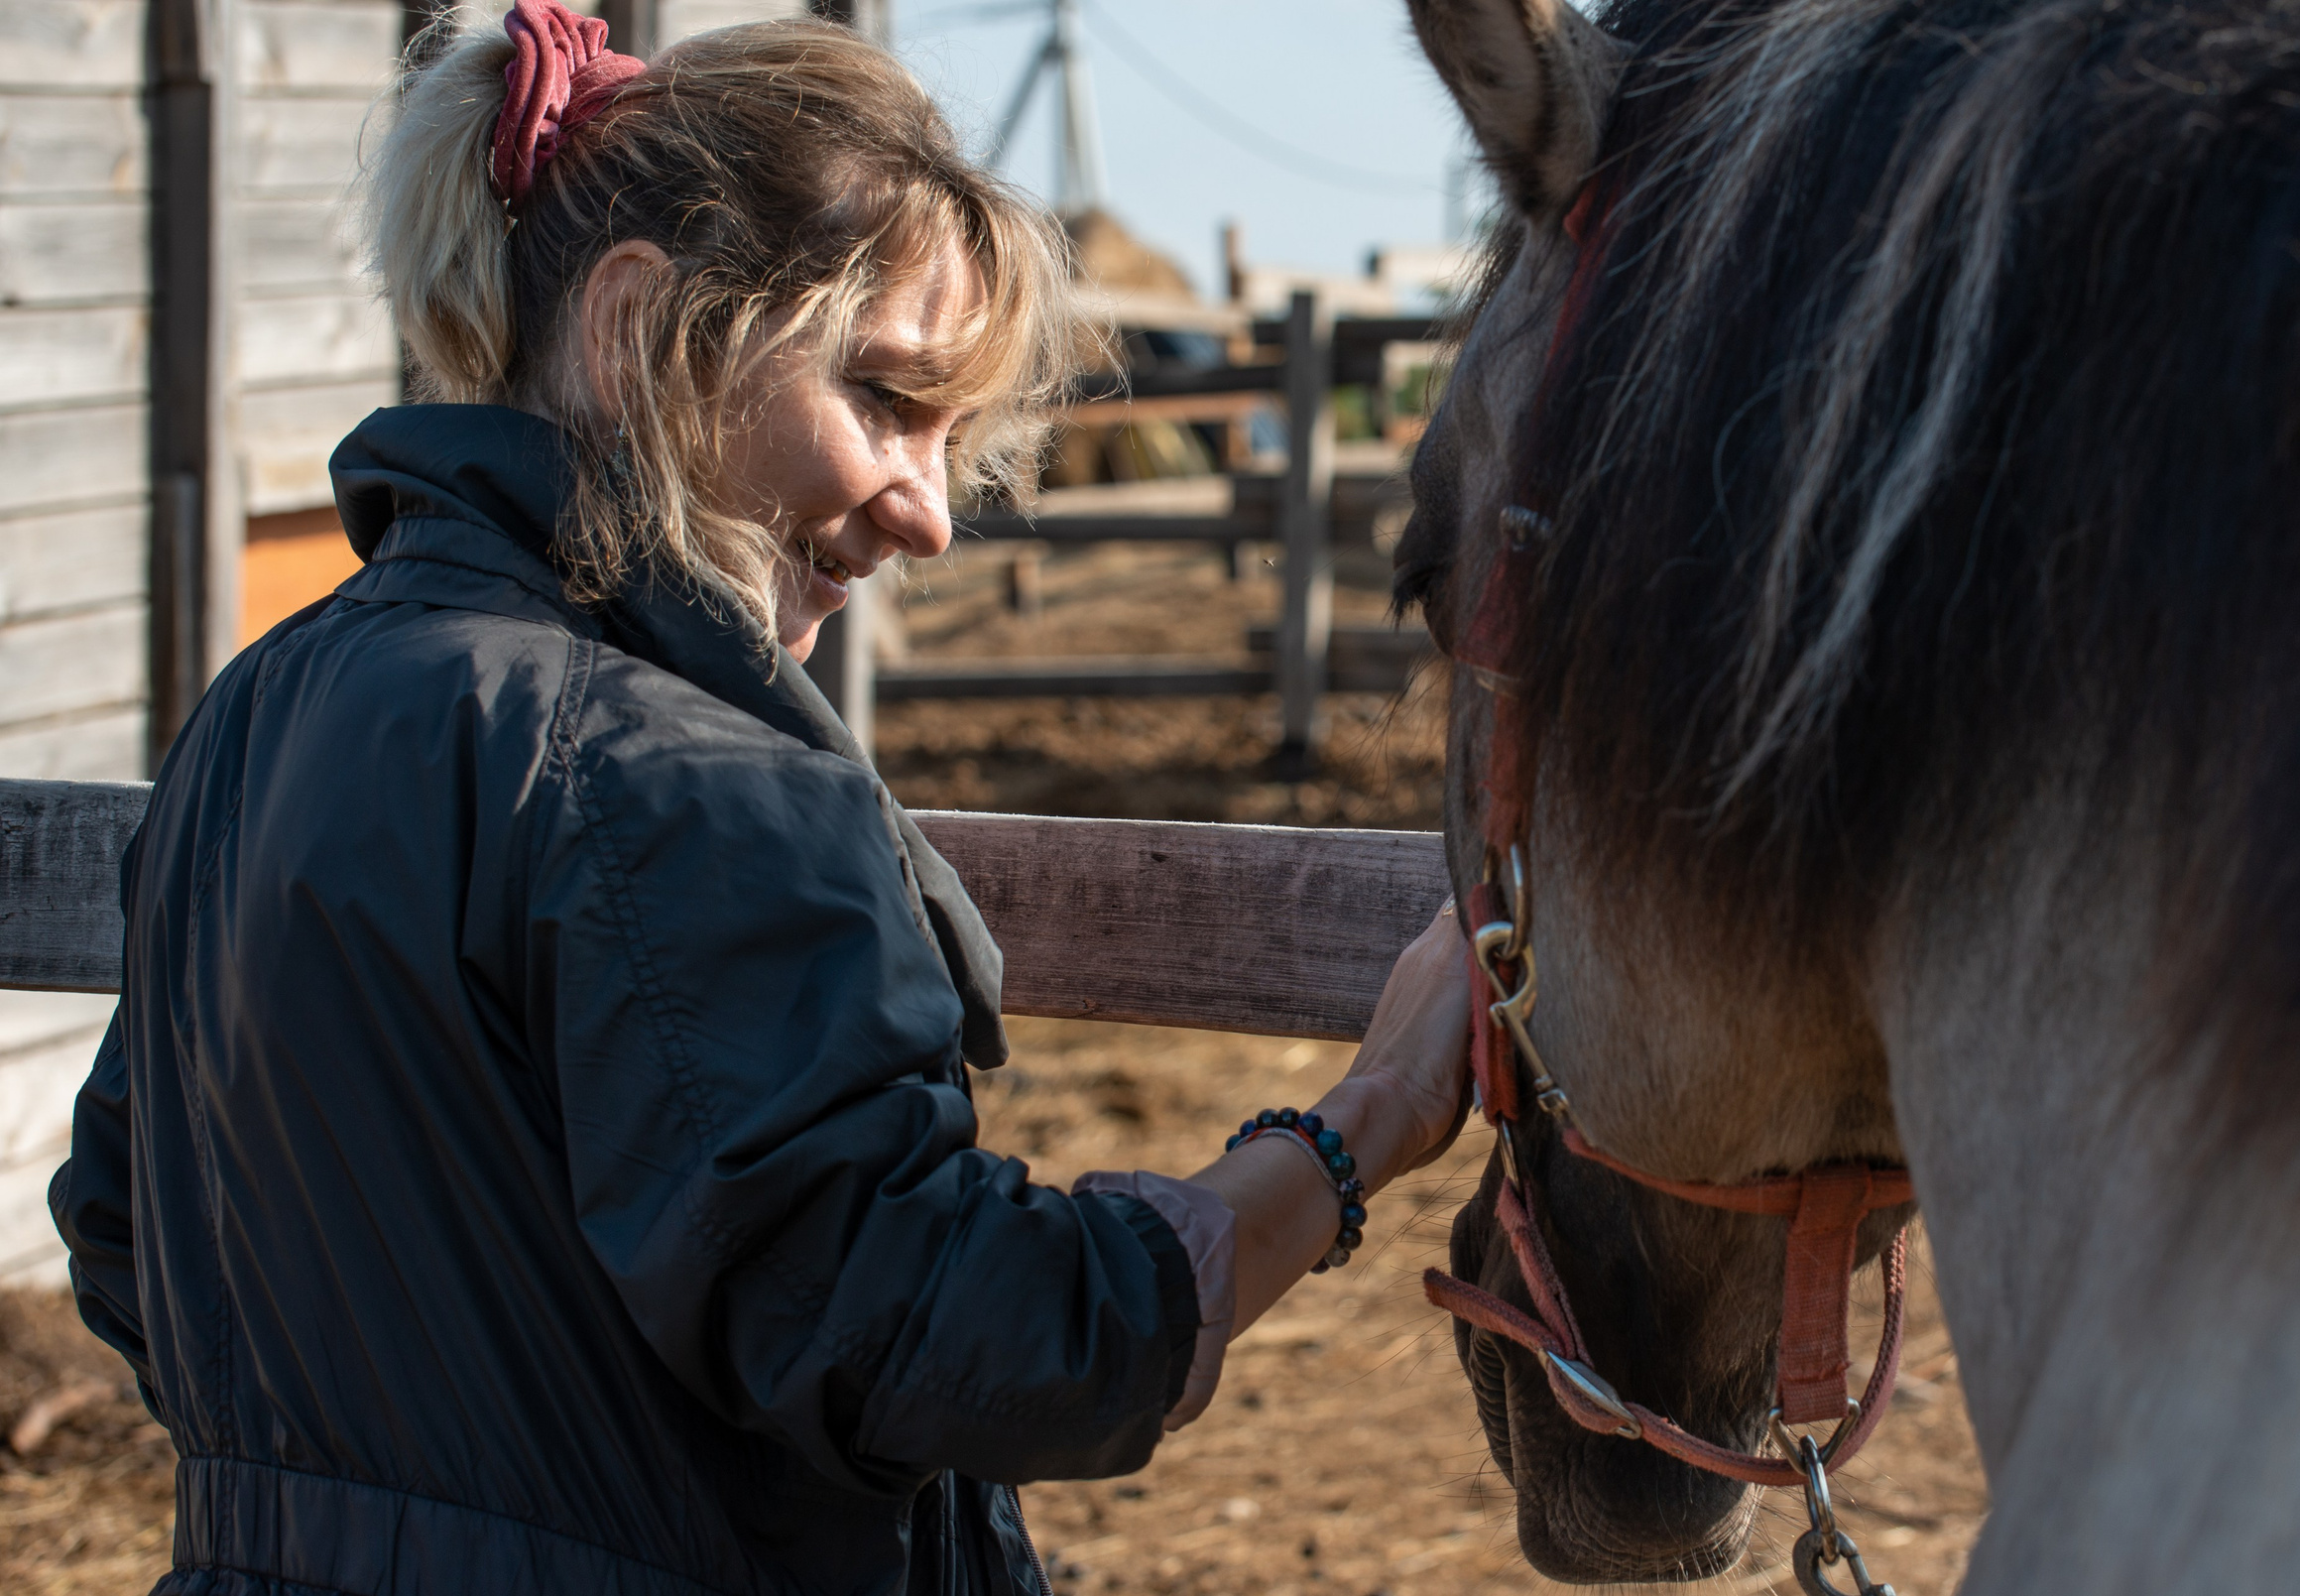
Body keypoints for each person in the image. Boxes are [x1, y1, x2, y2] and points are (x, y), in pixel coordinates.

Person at [46, 7, 1473, 1593]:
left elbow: (123, 1225)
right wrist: (1360, 1129)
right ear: (639, 326)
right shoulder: (681, 779)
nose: (929, 512)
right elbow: (942, 1335)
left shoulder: (255, 711)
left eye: (952, 436)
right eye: (884, 397)